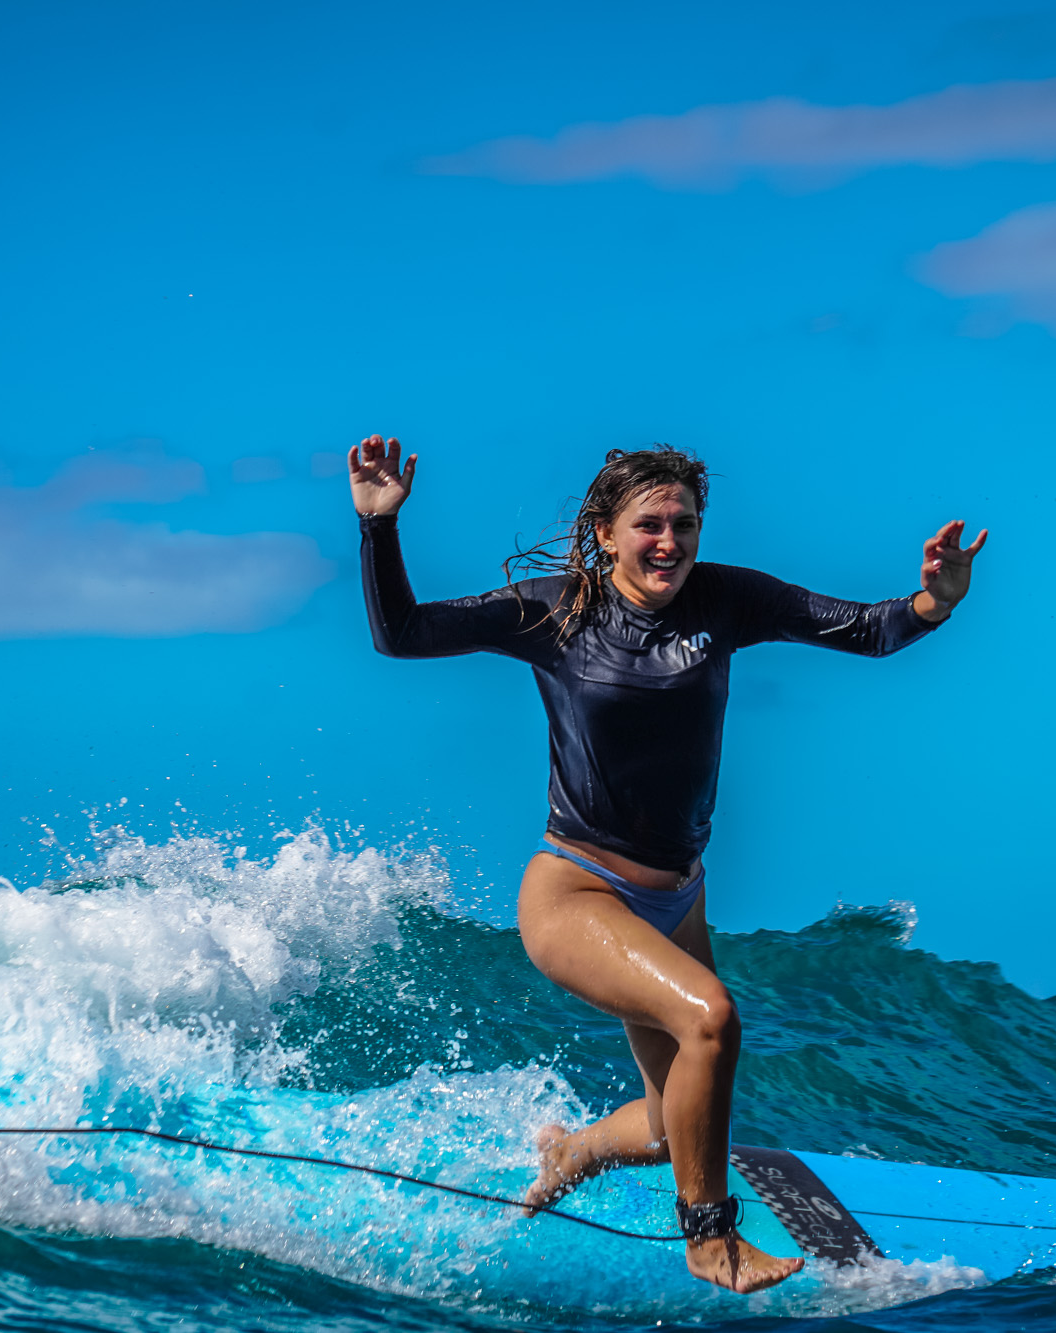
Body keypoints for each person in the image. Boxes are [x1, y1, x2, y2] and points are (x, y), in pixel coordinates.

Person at [349, 435, 985, 1293]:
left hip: (678, 895)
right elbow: (404, 633)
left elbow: (868, 630)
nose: (670, 542)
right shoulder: (553, 610)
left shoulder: (726, 598)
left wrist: (932, 603)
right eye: (649, 524)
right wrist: (379, 529)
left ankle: (571, 1150)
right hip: (576, 889)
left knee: (662, 1129)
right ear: (606, 533)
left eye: (685, 524)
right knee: (711, 1018)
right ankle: (709, 1239)